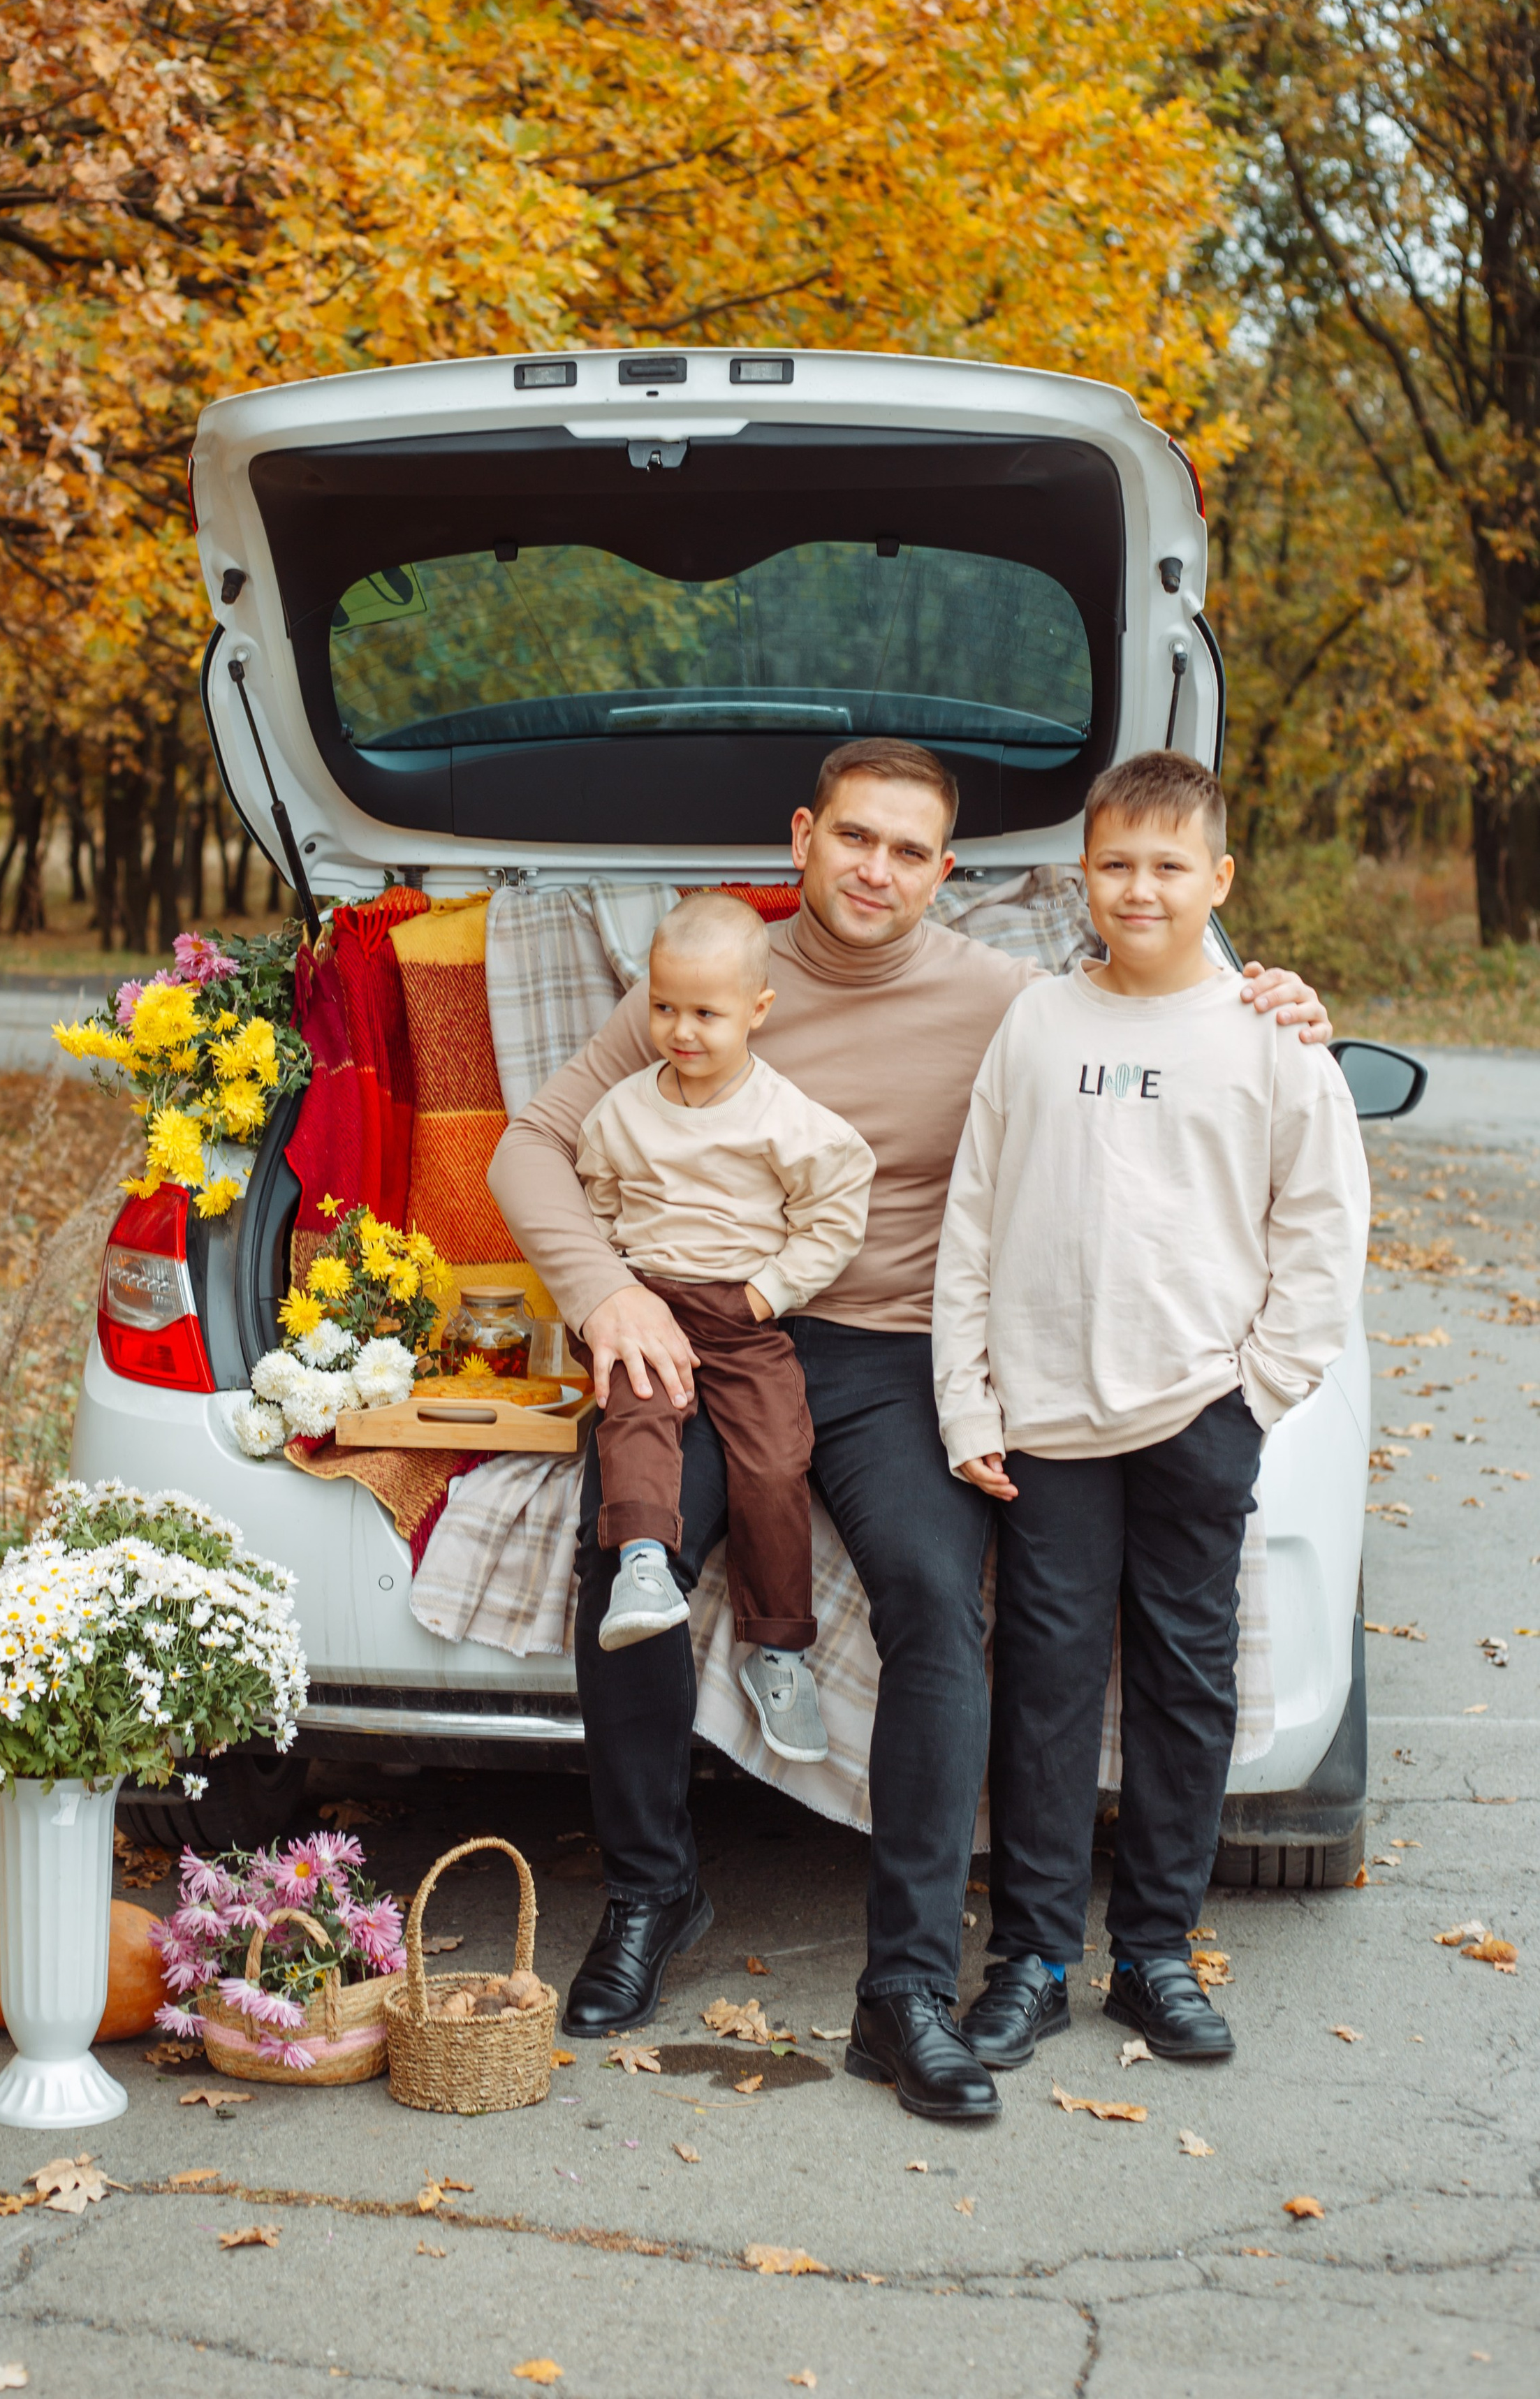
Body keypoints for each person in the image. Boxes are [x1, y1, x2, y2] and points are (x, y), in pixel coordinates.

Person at [487, 735, 1333, 2116]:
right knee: (626, 1559)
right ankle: (651, 1893)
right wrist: (605, 1295)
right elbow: (534, 1143)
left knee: (940, 1603)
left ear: (943, 872)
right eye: (851, 837)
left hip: (893, 1355)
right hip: (714, 1336)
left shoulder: (1012, 999)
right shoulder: (714, 980)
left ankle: (902, 1989)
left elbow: (1151, 1016)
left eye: (906, 849)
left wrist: (1273, 1000)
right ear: (802, 837)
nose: (873, 868)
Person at [934, 751, 1369, 2070]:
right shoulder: (1041, 1022)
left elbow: (1324, 1230)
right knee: (1051, 1688)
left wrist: (1255, 1396)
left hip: (1198, 1412)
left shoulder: (1269, 1036)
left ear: (1219, 878)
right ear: (1084, 875)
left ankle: (1158, 1954)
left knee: (1187, 1682)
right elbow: (973, 1215)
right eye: (1116, 863)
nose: (1140, 887)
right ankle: (1033, 1956)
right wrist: (968, 1394)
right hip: (1052, 1420)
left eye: (1170, 866)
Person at [574, 890, 875, 1766]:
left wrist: (767, 1292)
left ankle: (776, 1649)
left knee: (777, 1459)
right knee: (633, 1416)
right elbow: (594, 1200)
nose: (682, 1029)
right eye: (664, 1006)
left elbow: (837, 1211)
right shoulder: (622, 1111)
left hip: (744, 1316)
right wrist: (610, 1289)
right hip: (648, 1306)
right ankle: (639, 1560)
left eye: (706, 1012)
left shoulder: (786, 1116)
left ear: (757, 1009)